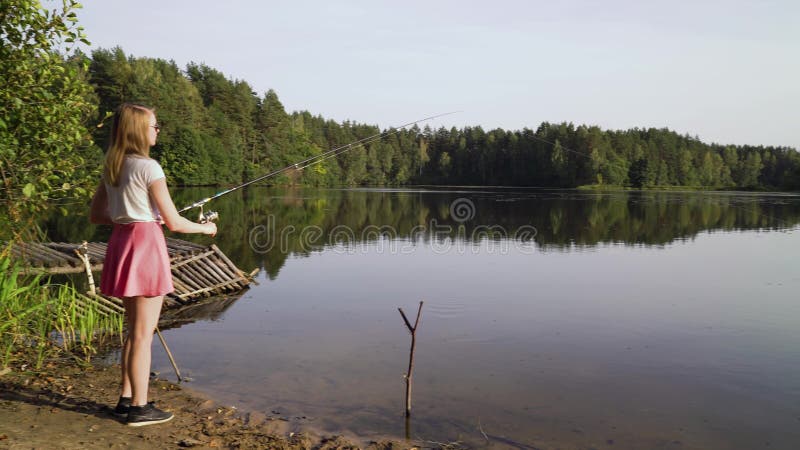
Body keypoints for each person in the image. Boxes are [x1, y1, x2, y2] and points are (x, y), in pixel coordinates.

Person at [90, 103, 217, 426]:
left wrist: (135, 214)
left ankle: (125, 400)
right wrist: (205, 228)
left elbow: (97, 216)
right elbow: (175, 223)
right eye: (154, 125)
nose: (157, 130)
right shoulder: (149, 168)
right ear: (138, 130)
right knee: (143, 334)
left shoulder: (113, 165)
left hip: (122, 242)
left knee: (133, 331)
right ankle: (140, 408)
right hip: (145, 246)